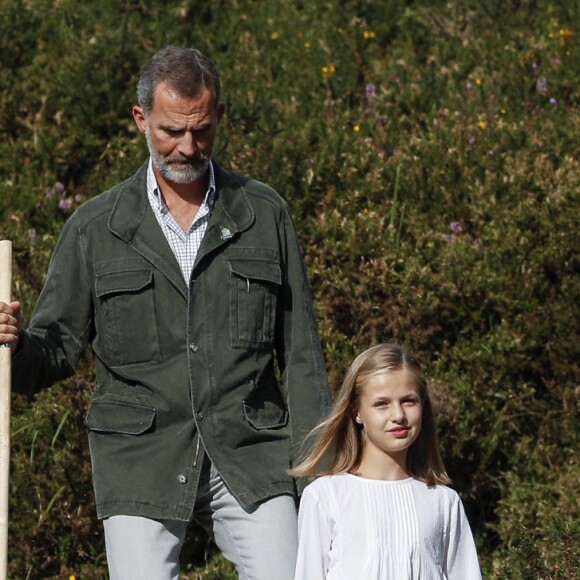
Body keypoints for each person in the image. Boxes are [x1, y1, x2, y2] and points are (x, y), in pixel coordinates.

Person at [0, 45, 330, 580]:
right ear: (140, 119)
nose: (186, 147)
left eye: (200, 131)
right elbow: (54, 349)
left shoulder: (264, 213)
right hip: (140, 461)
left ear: (219, 116)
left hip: (249, 453)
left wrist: (322, 480)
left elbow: (302, 356)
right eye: (170, 131)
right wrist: (13, 345)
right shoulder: (93, 226)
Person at [290, 343, 482, 580]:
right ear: (356, 412)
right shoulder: (326, 496)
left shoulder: (443, 502)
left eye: (409, 401)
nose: (398, 415)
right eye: (381, 404)